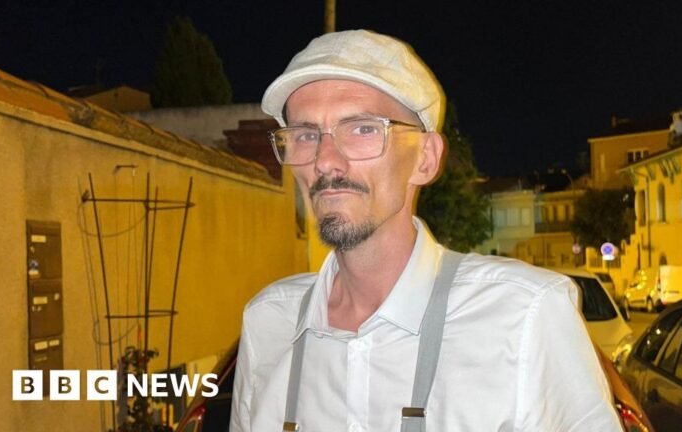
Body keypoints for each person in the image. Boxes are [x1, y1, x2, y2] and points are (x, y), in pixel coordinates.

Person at [230, 29, 622, 431]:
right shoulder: (268, 322)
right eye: (306, 135)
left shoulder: (524, 316)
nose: (325, 160)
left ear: (426, 158)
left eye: (363, 129)